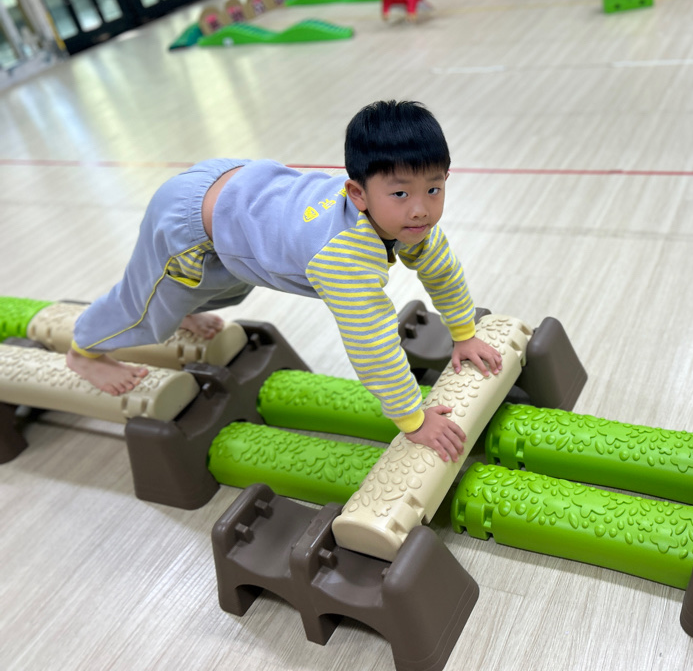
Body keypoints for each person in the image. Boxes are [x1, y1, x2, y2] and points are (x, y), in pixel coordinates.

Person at [66, 100, 502, 461]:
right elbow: (372, 343)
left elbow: (442, 269)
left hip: (241, 195)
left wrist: (463, 334)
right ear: (357, 193)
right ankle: (84, 350)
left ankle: (187, 307)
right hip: (190, 222)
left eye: (433, 189)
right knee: (146, 313)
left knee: (230, 286)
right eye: (401, 193)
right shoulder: (344, 257)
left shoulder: (408, 221)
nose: (421, 209)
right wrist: (414, 420)